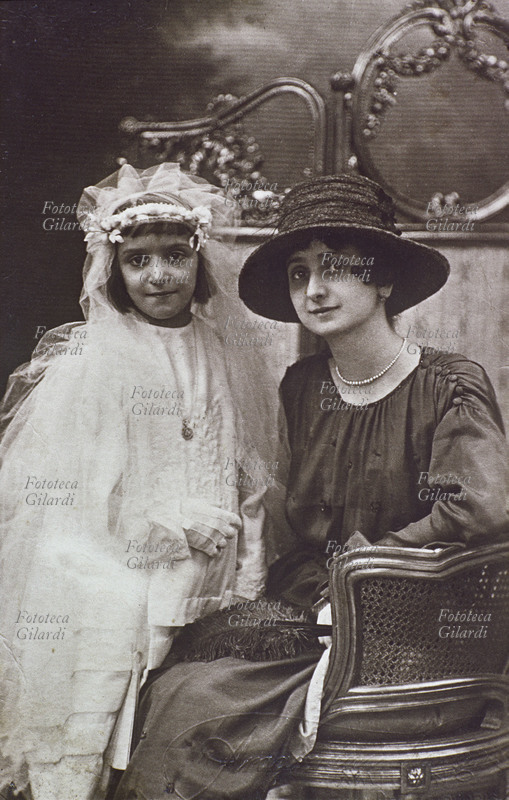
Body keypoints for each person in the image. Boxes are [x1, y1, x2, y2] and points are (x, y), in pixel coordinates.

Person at [113, 173, 508, 800]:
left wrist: (358, 570)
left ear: (383, 280)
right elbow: (291, 528)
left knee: (198, 705)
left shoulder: (449, 385)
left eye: (336, 269)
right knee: (171, 681)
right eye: (300, 274)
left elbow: (480, 509)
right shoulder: (302, 389)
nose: (315, 290)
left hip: (417, 626)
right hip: (316, 614)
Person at [0, 163, 273, 800]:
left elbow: (247, 473)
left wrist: (250, 568)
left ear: (200, 262)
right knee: (103, 714)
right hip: (118, 562)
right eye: (138, 261)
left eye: (176, 256)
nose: (159, 276)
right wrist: (174, 523)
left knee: (185, 725)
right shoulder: (95, 359)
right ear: (114, 271)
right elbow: (86, 495)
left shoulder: (223, 350)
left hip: (213, 566)